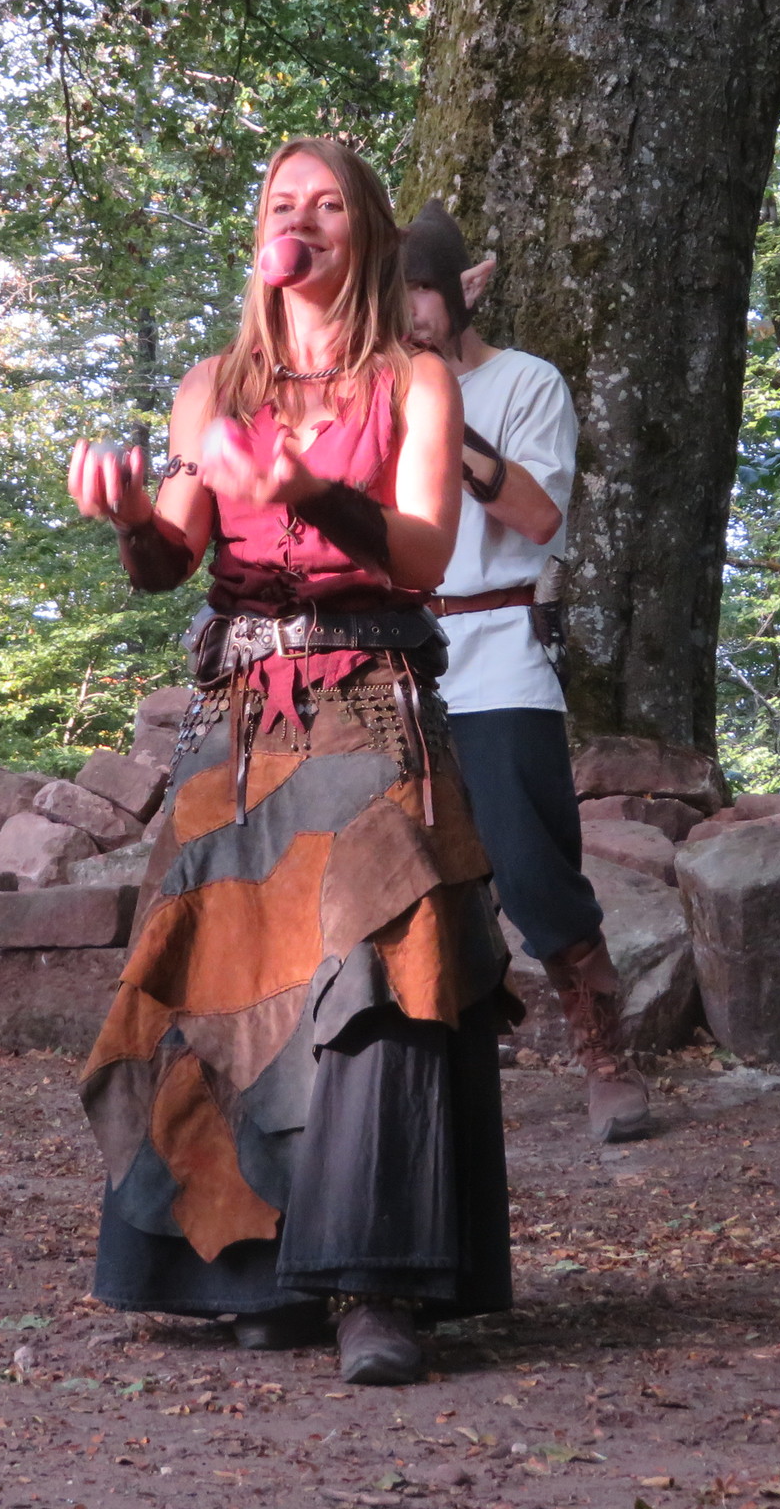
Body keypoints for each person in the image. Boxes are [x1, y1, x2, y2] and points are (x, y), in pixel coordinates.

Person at [63, 137, 517, 1387]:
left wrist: (307, 490)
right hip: (245, 714)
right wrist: (130, 520)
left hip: (371, 696)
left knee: (376, 966)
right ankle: (255, 1274)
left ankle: (376, 1284)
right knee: (227, 973)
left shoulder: (417, 380)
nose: (299, 221)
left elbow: (423, 553)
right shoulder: (213, 388)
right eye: (281, 203)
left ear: (363, 234)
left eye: (326, 205)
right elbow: (171, 558)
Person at [398, 202, 654, 1144]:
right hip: (400, 658)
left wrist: (439, 413)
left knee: (533, 865)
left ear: (458, 292)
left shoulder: (527, 383)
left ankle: (605, 1052)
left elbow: (540, 516)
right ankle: (424, 1059)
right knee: (401, 868)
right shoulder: (372, 393)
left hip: (501, 650)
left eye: (423, 292)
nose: (411, 314)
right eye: (395, 298)